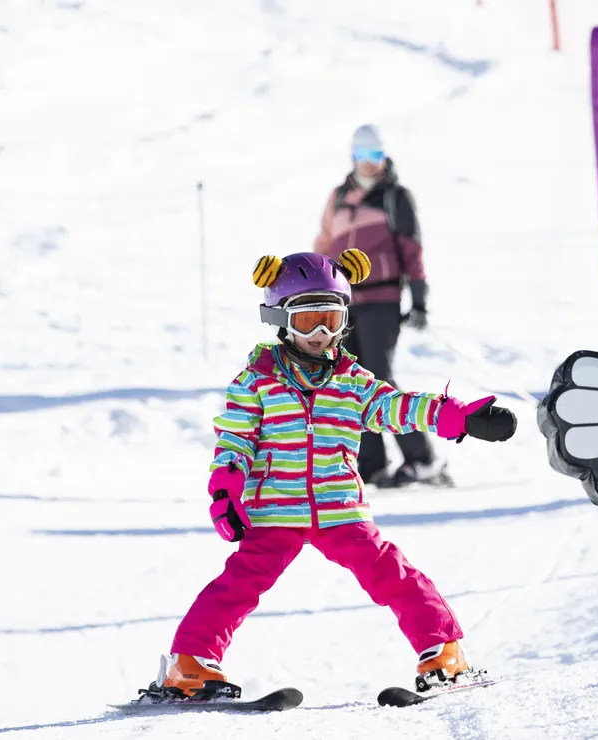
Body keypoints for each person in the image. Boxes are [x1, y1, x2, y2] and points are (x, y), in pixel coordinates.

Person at [136, 250, 517, 703]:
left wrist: (453, 416)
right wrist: (226, 491)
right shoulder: (256, 382)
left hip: (340, 509)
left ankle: (444, 656)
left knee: (394, 575)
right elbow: (235, 440)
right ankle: (190, 666)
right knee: (237, 586)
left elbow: (396, 407)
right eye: (307, 320)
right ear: (281, 320)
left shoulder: (352, 381)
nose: (321, 333)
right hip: (275, 510)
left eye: (332, 319)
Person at [313, 124, 437, 488]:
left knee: (379, 377)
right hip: (344, 302)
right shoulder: (339, 197)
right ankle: (371, 463)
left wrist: (419, 300)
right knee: (350, 380)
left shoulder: (395, 197)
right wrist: (314, 285)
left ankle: (422, 458)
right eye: (363, 155)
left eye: (376, 154)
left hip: (382, 301)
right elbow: (324, 243)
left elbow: (412, 250)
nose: (369, 162)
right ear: (352, 157)